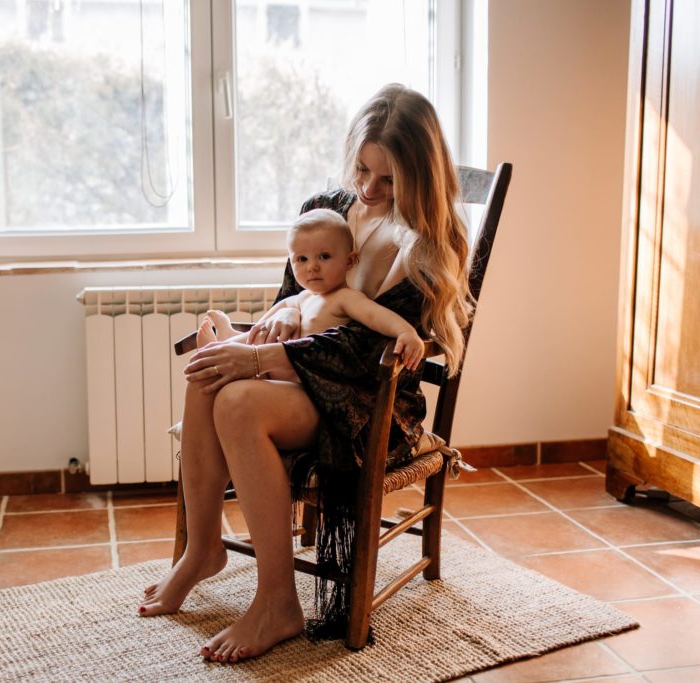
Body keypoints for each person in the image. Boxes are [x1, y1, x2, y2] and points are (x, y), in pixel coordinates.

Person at [139, 83, 472, 664]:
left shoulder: (428, 243)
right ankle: (202, 549)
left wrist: (263, 359)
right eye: (363, 169)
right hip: (302, 373)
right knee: (209, 372)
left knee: (238, 401)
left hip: (371, 394)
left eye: (388, 180)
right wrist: (278, 320)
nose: (368, 189)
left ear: (421, 177)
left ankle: (277, 602)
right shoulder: (331, 206)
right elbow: (292, 295)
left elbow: (369, 345)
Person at [195, 208, 427, 379]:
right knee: (285, 306)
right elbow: (269, 325)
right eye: (302, 259)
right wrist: (288, 312)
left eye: (324, 256)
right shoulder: (302, 298)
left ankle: (225, 345)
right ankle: (231, 338)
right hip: (267, 374)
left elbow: (376, 316)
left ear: (350, 260)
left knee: (226, 390)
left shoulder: (346, 298)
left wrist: (405, 331)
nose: (312, 267)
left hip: (301, 387)